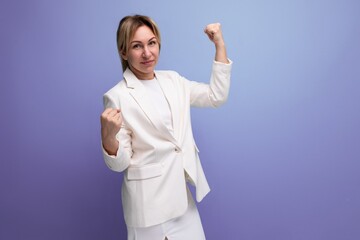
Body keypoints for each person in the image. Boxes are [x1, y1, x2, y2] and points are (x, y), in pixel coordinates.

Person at [100, 14, 232, 240]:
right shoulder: (117, 96)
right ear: (123, 52)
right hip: (148, 208)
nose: (147, 53)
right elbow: (120, 163)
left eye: (151, 43)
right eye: (136, 46)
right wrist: (108, 137)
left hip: (182, 201)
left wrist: (219, 44)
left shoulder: (173, 80)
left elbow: (215, 96)